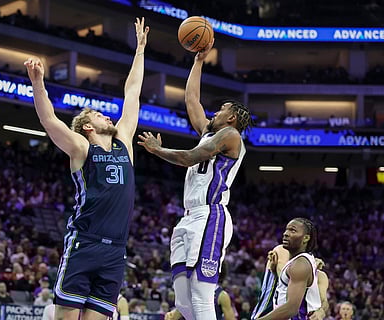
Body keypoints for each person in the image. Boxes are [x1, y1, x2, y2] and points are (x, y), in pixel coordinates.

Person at [25, 17, 149, 320]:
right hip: (85, 243)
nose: (107, 116)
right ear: (88, 126)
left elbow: (132, 93)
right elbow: (49, 121)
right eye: (99, 114)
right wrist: (38, 82)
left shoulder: (124, 142)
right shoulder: (82, 148)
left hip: (115, 251)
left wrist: (141, 50)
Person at [138, 40, 252, 320]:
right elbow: (191, 100)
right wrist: (198, 62)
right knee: (184, 301)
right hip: (188, 217)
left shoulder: (230, 137)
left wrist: (158, 150)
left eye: (221, 110)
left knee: (202, 294)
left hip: (210, 216)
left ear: (233, 118)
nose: (214, 113)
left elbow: (190, 157)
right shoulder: (210, 131)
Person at [256, 218, 321, 320]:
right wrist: (274, 270)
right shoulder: (296, 263)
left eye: (293, 230)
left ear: (306, 238)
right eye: (287, 229)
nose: (286, 233)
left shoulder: (301, 264)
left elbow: (291, 308)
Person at [251, 245, 329, 320]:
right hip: (268, 310)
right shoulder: (282, 250)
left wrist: (321, 311)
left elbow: (324, 301)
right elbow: (286, 281)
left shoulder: (320, 276)